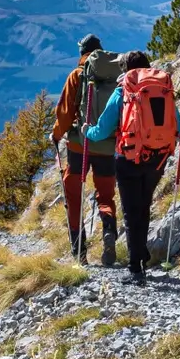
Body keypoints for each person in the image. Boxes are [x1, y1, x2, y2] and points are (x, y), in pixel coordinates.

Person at [84, 50, 180, 284]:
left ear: (125, 69)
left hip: (129, 157)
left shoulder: (123, 90)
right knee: (143, 206)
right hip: (158, 157)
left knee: (131, 212)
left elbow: (102, 130)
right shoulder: (161, 89)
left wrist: (86, 131)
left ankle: (135, 269)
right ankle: (141, 254)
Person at [51, 34, 122, 264]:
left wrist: (56, 135)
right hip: (107, 146)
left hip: (79, 147)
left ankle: (79, 252)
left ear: (82, 52)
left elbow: (65, 113)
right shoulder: (115, 76)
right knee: (106, 195)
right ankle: (108, 230)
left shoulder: (77, 75)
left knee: (74, 196)